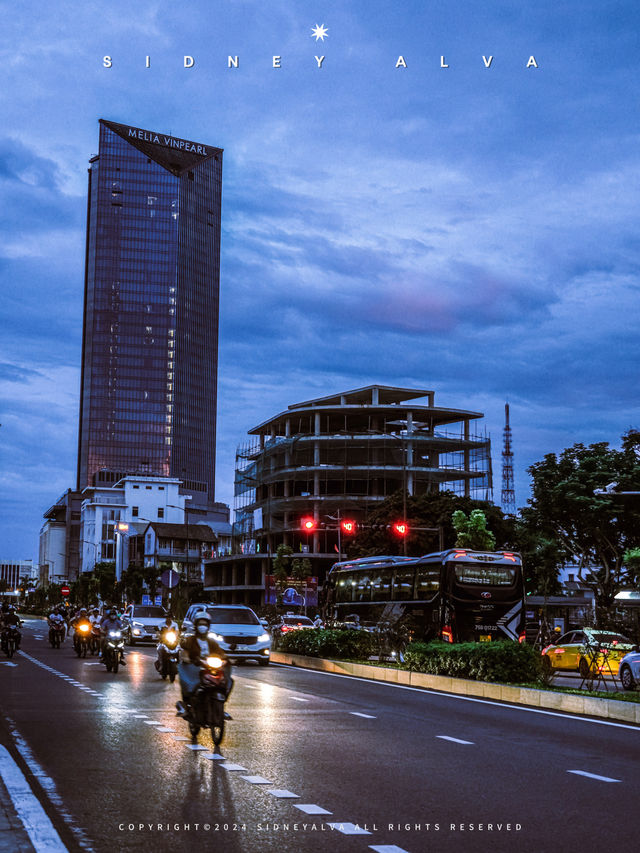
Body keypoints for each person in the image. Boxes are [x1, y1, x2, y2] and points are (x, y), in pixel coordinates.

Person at [177, 612, 232, 717]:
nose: (203, 627)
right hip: (196, 667)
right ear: (196, 626)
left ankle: (221, 707)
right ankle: (186, 706)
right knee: (189, 683)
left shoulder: (211, 642)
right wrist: (188, 658)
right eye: (200, 624)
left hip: (210, 668)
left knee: (227, 681)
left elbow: (220, 653)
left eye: (205, 624)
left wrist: (227, 659)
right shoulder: (190, 640)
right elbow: (184, 649)